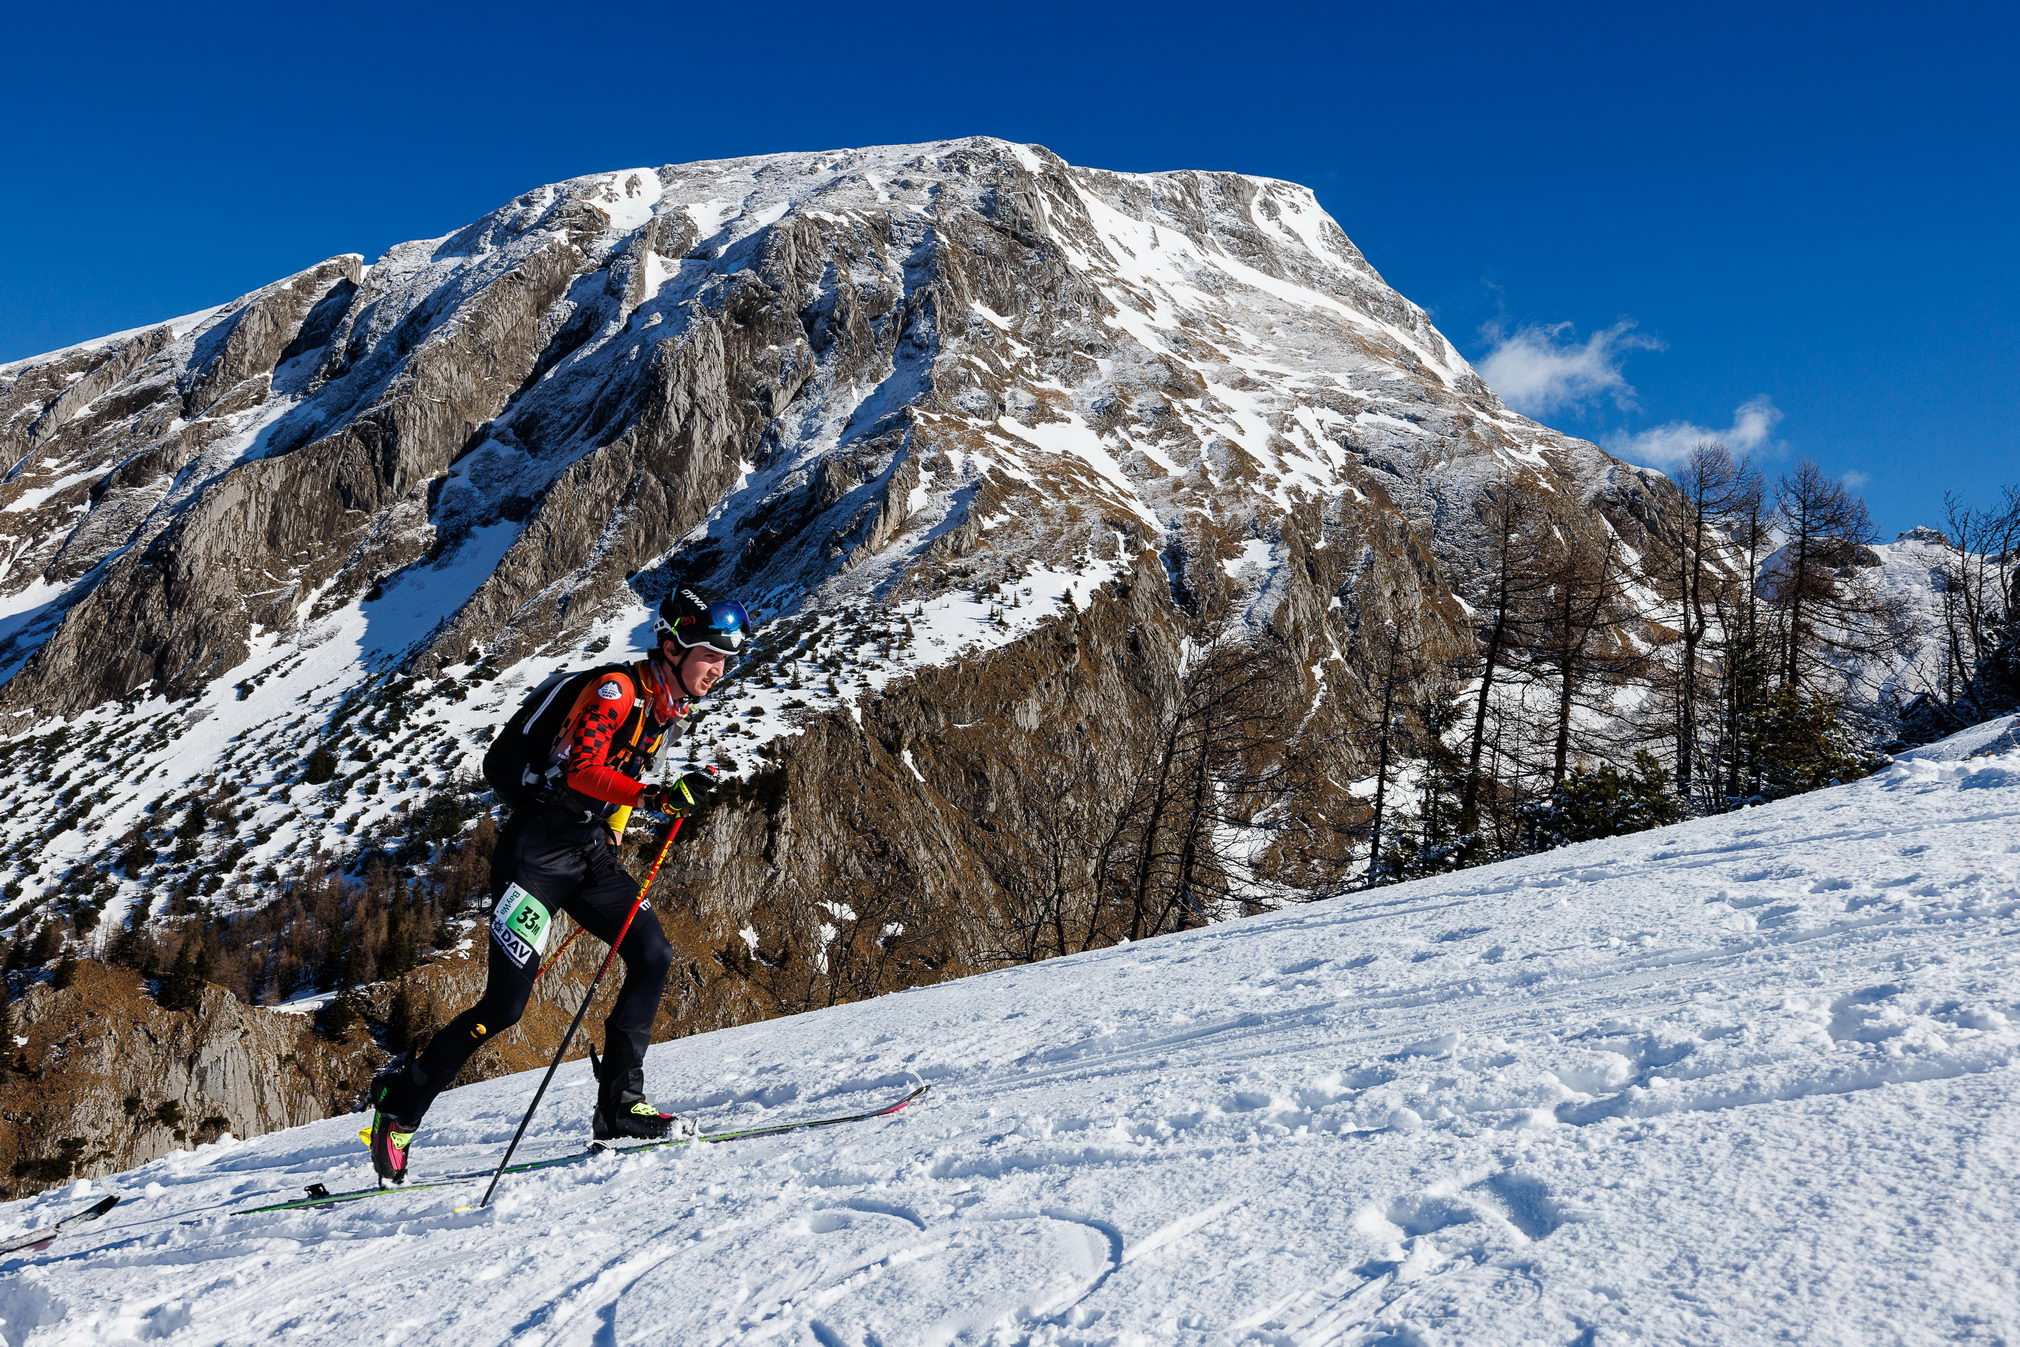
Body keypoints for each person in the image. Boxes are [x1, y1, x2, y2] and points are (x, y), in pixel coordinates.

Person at [366, 587, 752, 1183]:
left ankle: (619, 1107)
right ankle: (401, 1108)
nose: (719, 670)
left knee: (652, 953)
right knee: (504, 1007)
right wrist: (653, 798)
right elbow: (585, 769)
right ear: (672, 648)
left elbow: (621, 774)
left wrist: (619, 826)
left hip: (586, 852)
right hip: (535, 857)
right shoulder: (616, 691)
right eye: (710, 655)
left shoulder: (664, 708)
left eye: (725, 659)